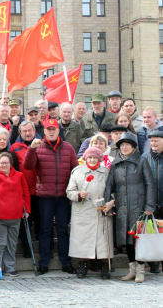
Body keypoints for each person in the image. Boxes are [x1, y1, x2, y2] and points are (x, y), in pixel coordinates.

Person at [24, 118, 78, 275]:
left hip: (62, 196)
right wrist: (31, 150)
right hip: (45, 197)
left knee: (63, 230)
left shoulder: (68, 148)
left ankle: (66, 262)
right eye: (49, 129)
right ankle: (44, 262)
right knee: (45, 230)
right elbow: (28, 166)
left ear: (58, 130)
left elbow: (75, 170)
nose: (52, 131)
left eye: (54, 129)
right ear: (45, 131)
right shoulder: (38, 146)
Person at [104, 132, 156, 283]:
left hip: (138, 207)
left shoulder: (141, 162)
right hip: (122, 208)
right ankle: (131, 269)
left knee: (137, 240)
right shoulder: (115, 164)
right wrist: (108, 204)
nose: (124, 147)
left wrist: (149, 206)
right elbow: (109, 186)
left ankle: (140, 270)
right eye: (122, 145)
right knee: (126, 240)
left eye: (128, 145)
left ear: (133, 147)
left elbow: (149, 184)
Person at [0, 153, 30, 280]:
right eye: (1, 163)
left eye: (6, 163)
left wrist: (27, 210)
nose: (4, 165)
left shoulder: (19, 176)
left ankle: (10, 267)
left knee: (11, 243)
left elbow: (25, 193)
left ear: (11, 164)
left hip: (15, 216)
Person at [66, 147, 113, 279]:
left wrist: (111, 202)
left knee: (103, 240)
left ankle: (105, 265)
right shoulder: (77, 171)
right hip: (83, 210)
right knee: (82, 239)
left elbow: (113, 189)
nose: (92, 160)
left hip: (101, 209)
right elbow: (69, 191)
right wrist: (79, 194)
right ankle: (83, 264)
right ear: (85, 158)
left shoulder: (106, 172)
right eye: (90, 157)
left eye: (95, 158)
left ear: (100, 159)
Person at [10, 121, 39, 255]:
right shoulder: (15, 147)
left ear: (34, 131)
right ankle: (28, 249)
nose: (28, 133)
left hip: (39, 190)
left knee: (40, 219)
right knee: (25, 221)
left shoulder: (41, 144)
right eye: (24, 131)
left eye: (30, 130)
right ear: (20, 133)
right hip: (23, 190)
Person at [142, 130, 163, 274]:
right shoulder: (145, 157)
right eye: (152, 141)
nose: (154, 143)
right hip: (150, 202)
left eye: (157, 140)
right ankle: (154, 262)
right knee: (152, 234)